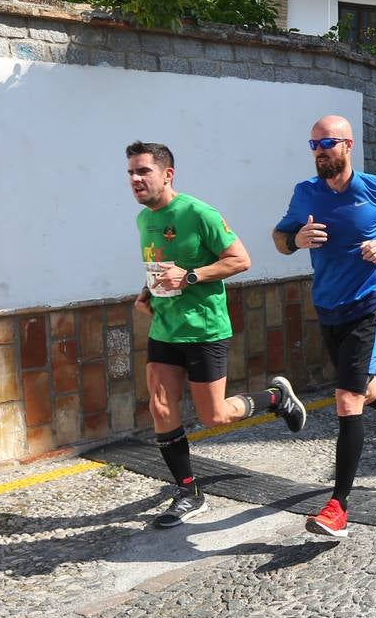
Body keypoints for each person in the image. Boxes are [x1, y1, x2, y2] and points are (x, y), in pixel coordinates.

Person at [127, 141, 307, 529]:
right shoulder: (144, 220)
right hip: (165, 327)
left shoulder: (198, 213)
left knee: (214, 415)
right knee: (160, 407)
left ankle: (275, 398)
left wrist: (192, 276)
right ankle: (188, 492)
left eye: (143, 171)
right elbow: (161, 266)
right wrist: (147, 290)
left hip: (204, 328)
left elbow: (240, 260)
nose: (135, 180)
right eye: (131, 173)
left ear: (167, 174)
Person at [272, 116, 376, 538]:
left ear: (348, 145)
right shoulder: (305, 193)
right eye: (314, 144)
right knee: (364, 387)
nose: (320, 150)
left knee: (347, 397)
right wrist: (295, 241)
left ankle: (338, 507)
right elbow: (278, 236)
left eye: (327, 142)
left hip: (369, 303)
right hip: (328, 305)